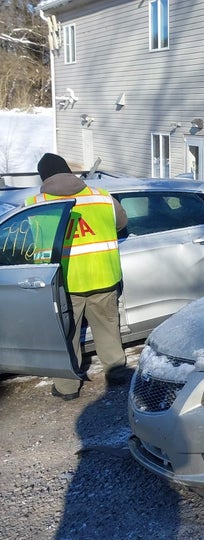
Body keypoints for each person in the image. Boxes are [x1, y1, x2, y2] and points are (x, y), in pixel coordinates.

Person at [26, 153, 130, 400]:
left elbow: (25, 244)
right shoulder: (101, 197)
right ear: (68, 172)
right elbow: (121, 223)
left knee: (66, 336)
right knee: (108, 331)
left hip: (63, 284)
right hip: (103, 278)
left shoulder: (34, 203)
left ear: (44, 177)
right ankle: (116, 375)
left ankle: (66, 388)